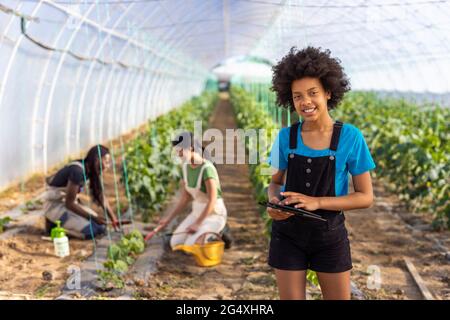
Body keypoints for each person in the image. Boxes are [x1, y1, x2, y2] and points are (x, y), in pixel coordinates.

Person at [267, 47, 376, 300]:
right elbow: (274, 184)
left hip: (329, 234)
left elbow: (365, 196)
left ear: (328, 92)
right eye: (297, 96)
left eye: (313, 93)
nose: (305, 102)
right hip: (288, 234)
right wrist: (273, 203)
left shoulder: (350, 137)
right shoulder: (286, 137)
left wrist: (317, 202)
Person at [153, 131, 232, 250]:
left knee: (192, 245)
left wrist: (198, 224)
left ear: (190, 148)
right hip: (197, 212)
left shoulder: (207, 169)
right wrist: (168, 219)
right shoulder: (186, 167)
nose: (178, 155)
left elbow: (212, 200)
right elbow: (185, 198)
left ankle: (221, 230)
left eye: (180, 151)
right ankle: (205, 232)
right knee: (175, 243)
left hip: (214, 214)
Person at [44, 145, 119, 239]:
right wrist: (93, 218)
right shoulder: (78, 171)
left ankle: (60, 222)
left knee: (101, 228)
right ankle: (54, 226)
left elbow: (100, 196)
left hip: (69, 204)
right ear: (97, 160)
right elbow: (69, 204)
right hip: (55, 206)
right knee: (91, 232)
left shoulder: (90, 169)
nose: (108, 166)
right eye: (106, 162)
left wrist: (114, 219)